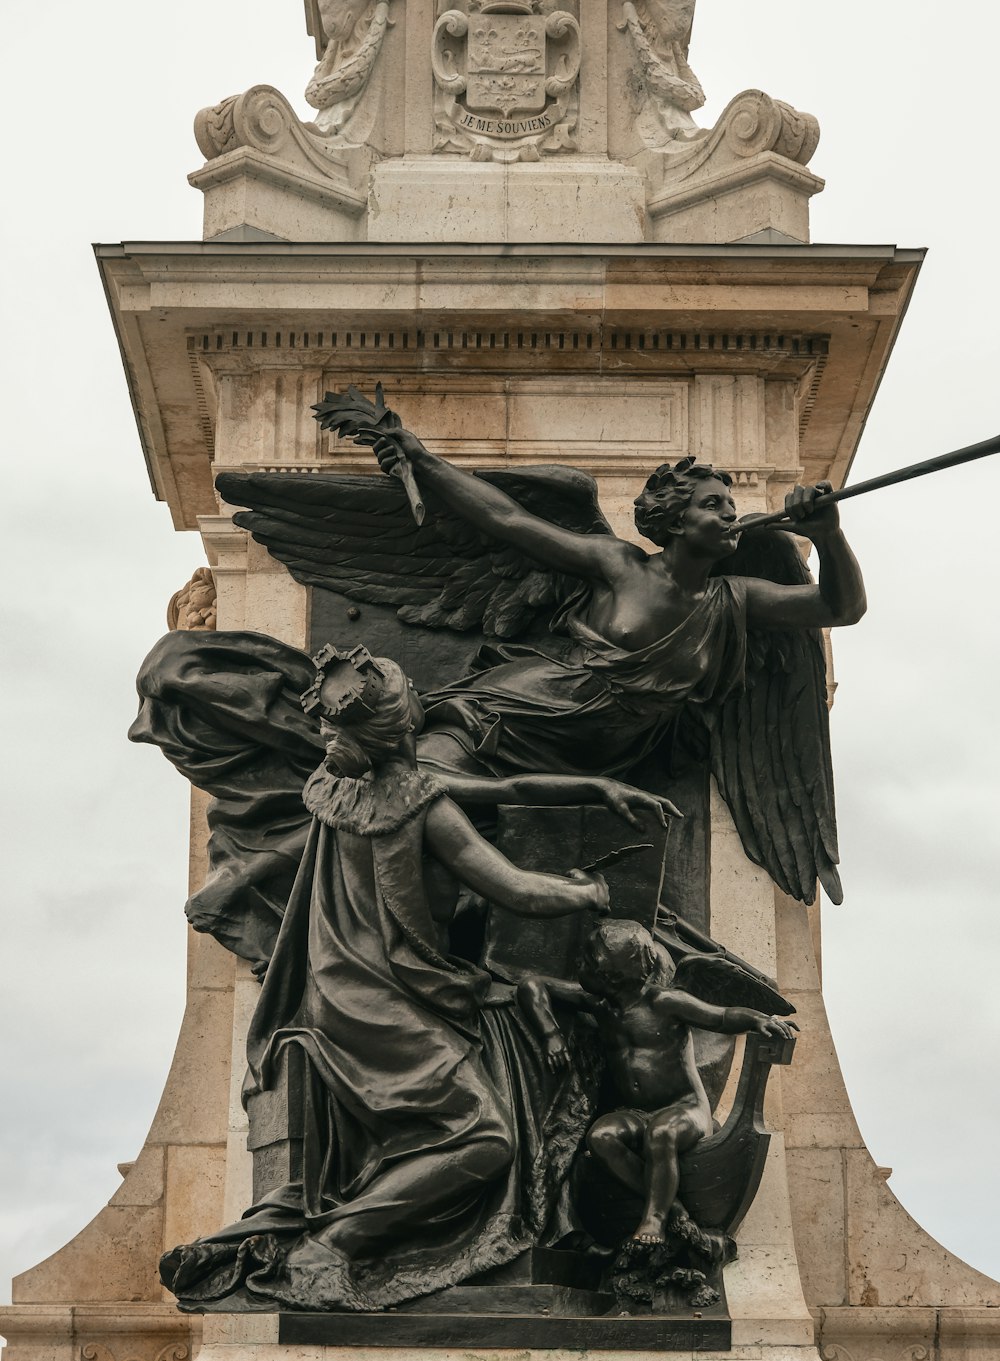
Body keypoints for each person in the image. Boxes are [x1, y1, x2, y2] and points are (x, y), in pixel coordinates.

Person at [159, 645, 610, 1312]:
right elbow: (512, 889)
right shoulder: (423, 806)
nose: (324, 740)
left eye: (333, 730)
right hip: (384, 1002)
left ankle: (318, 1234)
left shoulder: (332, 798)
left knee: (485, 1079)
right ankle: (331, 1246)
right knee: (485, 1139)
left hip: (339, 995)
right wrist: (586, 892)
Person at [361, 433, 867, 787]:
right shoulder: (620, 565)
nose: (729, 515)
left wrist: (828, 536)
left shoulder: (733, 598)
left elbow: (840, 607)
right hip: (528, 706)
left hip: (608, 748)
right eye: (713, 506)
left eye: (731, 509)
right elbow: (508, 520)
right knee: (416, 778)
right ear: (673, 519)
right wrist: (423, 462)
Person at [516, 918, 796, 1248]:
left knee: (661, 1134)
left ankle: (656, 1217)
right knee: (601, 1137)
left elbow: (720, 1017)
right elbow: (531, 985)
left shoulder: (664, 1003)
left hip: (684, 1109)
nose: (581, 966)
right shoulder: (599, 1005)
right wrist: (550, 1033)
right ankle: (670, 1202)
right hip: (636, 1111)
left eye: (589, 963)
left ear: (613, 974)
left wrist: (760, 1019)